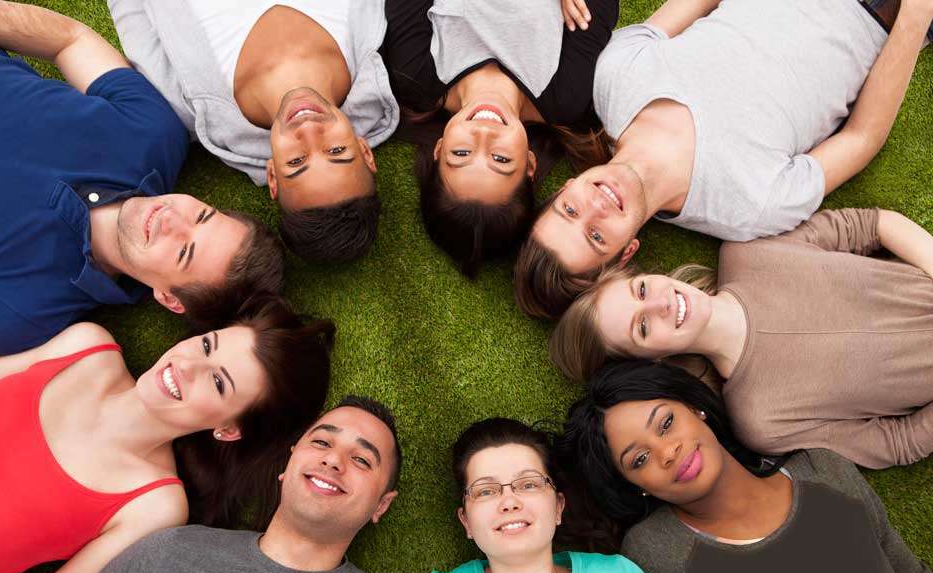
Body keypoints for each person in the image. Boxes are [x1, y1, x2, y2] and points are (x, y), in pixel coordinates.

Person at [0, 298, 335, 573]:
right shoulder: (86, 346)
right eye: (208, 345)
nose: (189, 365)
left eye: (217, 382)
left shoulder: (153, 505)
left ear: (229, 429)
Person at [515, 0, 933, 320]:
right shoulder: (746, 210)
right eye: (596, 237)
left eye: (570, 210)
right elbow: (861, 139)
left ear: (564, 188)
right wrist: (916, 16)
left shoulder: (614, 79)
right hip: (881, 13)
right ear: (625, 253)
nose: (596, 208)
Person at [0, 0, 284, 356]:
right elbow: (70, 41)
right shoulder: (155, 133)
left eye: (184, 251)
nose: (172, 219)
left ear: (169, 298)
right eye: (201, 216)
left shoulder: (20, 312)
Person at [558, 360, 933, 573]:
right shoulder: (653, 553)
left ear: (695, 409)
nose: (667, 452)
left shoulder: (825, 471)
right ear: (636, 485)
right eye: (640, 459)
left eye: (666, 423)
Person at [27, 397, 424, 573]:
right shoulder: (167, 555)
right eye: (321, 441)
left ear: (381, 506)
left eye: (361, 459)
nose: (333, 460)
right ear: (288, 466)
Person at [550, 207, 933, 468]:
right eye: (643, 327)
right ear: (652, 362)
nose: (660, 305)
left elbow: (870, 224)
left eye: (642, 290)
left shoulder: (746, 251)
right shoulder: (760, 419)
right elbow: (899, 442)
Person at [106, 0, 398, 264]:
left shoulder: (187, 104)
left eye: (296, 161)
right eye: (336, 151)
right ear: (364, 151)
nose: (309, 130)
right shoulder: (381, 48)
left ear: (272, 175)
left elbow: (131, 11)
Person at [408, 417, 687, 573]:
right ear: (466, 521)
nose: (509, 501)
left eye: (528, 484)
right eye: (486, 491)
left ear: (558, 507)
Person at [381, 0, 617, 276]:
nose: (484, 134)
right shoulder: (565, 95)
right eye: (500, 159)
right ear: (529, 164)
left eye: (461, 154)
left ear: (439, 149)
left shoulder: (417, 73)